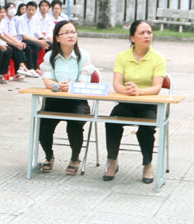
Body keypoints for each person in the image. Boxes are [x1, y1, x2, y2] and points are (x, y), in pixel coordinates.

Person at [104, 20, 166, 185]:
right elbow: (117, 83)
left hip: (149, 104)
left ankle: (147, 164)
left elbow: (157, 87)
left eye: (149, 32)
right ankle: (112, 161)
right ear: (132, 37)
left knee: (146, 127)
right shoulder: (122, 57)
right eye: (142, 33)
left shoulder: (158, 58)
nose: (147, 36)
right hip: (127, 102)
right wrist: (127, 91)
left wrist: (140, 92)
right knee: (111, 122)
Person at [38, 20, 96, 176]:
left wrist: (72, 87)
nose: (71, 35)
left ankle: (75, 158)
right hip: (55, 99)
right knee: (43, 126)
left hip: (77, 101)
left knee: (75, 125)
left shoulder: (83, 56)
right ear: (57, 38)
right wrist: (57, 87)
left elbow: (84, 81)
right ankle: (49, 156)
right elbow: (47, 80)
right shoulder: (50, 56)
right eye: (66, 32)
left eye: (73, 31)